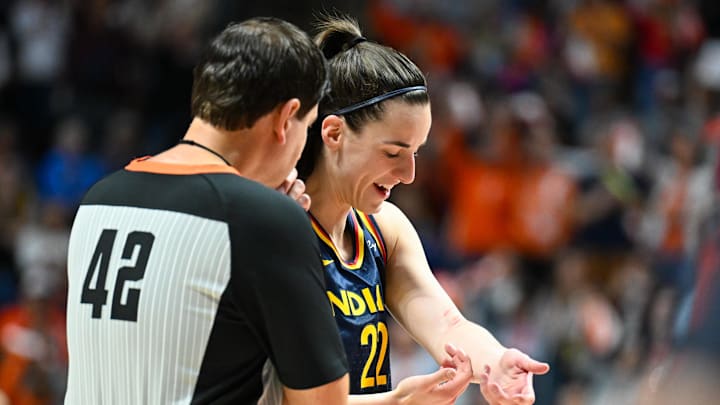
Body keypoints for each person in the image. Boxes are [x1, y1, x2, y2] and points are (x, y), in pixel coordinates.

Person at [63, 17, 353, 404]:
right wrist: (279, 225)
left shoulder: (98, 198)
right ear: (287, 118)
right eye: (308, 126)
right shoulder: (263, 221)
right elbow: (322, 401)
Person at [295, 15, 550, 404]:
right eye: (394, 152)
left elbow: (448, 324)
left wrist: (495, 362)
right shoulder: (279, 231)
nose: (410, 174)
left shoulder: (385, 228)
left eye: (416, 153)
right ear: (334, 134)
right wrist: (397, 401)